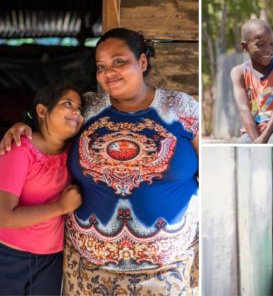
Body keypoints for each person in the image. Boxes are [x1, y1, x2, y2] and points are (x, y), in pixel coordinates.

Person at [0, 28, 199, 295]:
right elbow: (50, 118)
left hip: (167, 271)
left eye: (119, 61)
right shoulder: (88, 107)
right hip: (87, 272)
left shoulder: (182, 108)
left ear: (142, 62)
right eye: (100, 66)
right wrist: (20, 125)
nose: (108, 72)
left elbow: (214, 172)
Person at [0, 83, 83, 295]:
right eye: (67, 104)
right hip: (9, 258)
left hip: (50, 261)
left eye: (80, 110)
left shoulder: (74, 153)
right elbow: (4, 217)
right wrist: (61, 207)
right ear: (42, 110)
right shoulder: (19, 149)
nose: (76, 112)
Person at [231, 18, 273, 144]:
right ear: (245, 47)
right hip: (253, 128)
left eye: (271, 43)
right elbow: (244, 109)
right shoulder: (239, 73)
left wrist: (263, 139)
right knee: (242, 145)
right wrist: (256, 140)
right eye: (260, 44)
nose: (268, 49)